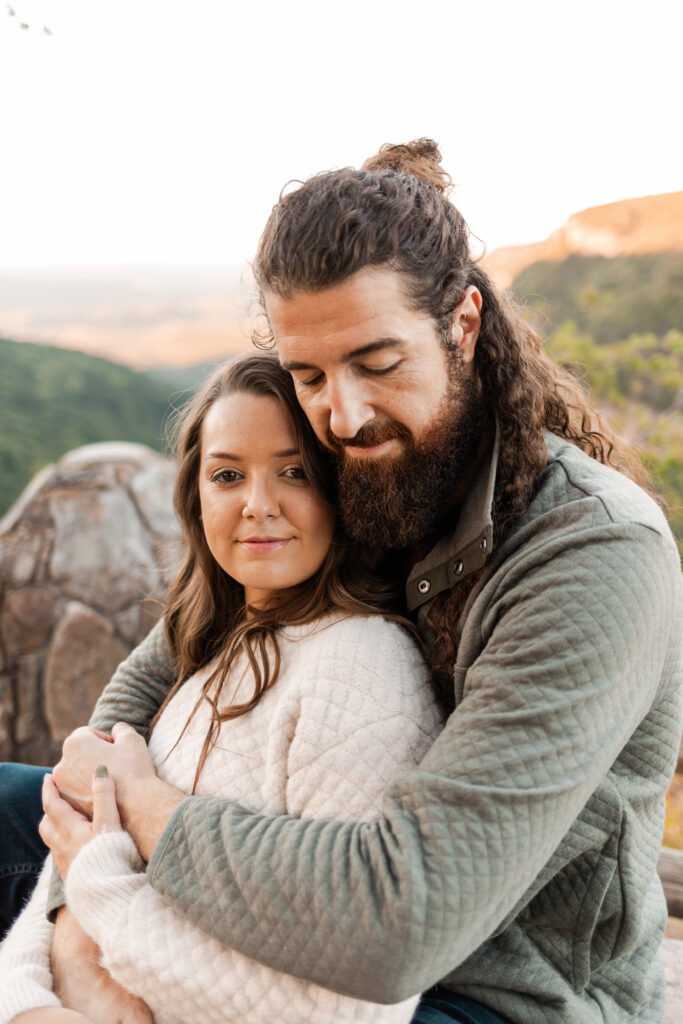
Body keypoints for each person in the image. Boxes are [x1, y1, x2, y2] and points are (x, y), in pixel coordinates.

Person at [1, 138, 681, 1024]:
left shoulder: (591, 555)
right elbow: (154, 672)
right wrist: (72, 926)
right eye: (309, 375)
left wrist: (139, 816)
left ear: (463, 326)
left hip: (487, 994)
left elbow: (401, 921)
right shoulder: (356, 471)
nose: (343, 413)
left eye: (377, 362)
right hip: (270, 895)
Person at [0, 353, 443, 1023]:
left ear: (340, 492)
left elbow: (350, 1011)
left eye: (293, 472)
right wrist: (31, 1002)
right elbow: (71, 850)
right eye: (228, 475)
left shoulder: (362, 673)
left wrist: (102, 912)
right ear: (195, 497)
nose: (258, 506)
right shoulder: (213, 651)